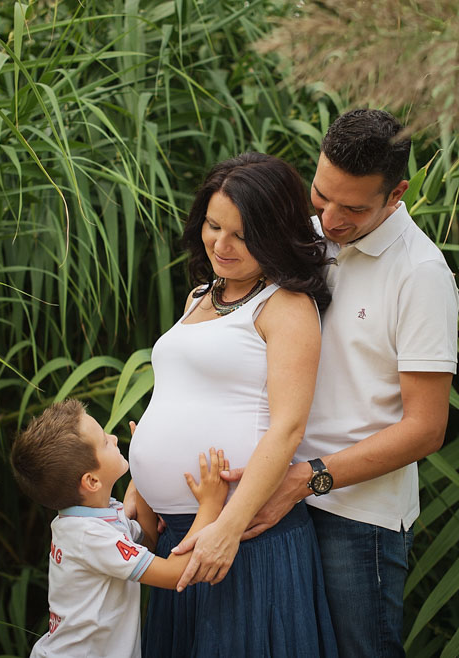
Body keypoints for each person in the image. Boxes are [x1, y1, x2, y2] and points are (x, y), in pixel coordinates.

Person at [174, 109, 459, 657]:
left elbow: (426, 429)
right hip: (268, 498)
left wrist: (306, 480)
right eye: (320, 196)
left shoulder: (420, 274)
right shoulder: (299, 239)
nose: (329, 220)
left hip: (356, 517)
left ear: (396, 194)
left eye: (352, 208)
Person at [126, 152, 337, 657]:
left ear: (275, 233)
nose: (221, 244)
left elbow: (287, 429)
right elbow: (176, 393)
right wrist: (141, 480)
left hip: (241, 541)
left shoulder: (286, 305)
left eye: (241, 235)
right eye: (212, 225)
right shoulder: (202, 294)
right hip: (176, 537)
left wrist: (228, 527)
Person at [9, 399, 230, 658]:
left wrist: (144, 470)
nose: (114, 438)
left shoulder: (98, 517)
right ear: (91, 481)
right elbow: (174, 574)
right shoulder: (90, 537)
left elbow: (146, 541)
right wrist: (210, 506)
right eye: (104, 441)